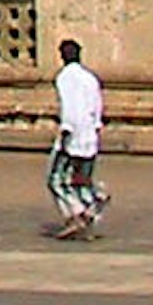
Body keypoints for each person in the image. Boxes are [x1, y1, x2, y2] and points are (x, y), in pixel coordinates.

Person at [47, 37, 107, 238]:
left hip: (72, 136)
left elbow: (69, 107)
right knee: (81, 179)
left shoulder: (64, 78)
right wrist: (96, 127)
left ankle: (77, 213)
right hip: (90, 136)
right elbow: (97, 108)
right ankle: (92, 201)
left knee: (56, 180)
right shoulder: (91, 78)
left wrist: (66, 131)